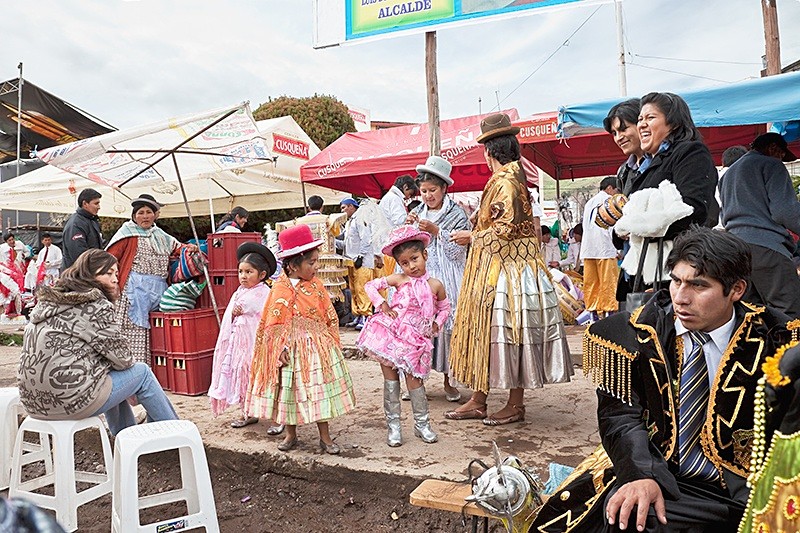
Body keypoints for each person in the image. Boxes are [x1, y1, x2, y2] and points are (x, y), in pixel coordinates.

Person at [531, 227, 800, 532]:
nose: (681, 298)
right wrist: (639, 474)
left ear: (736, 290)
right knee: (624, 518)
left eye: (698, 286)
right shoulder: (636, 334)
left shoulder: (778, 339)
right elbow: (620, 416)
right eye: (676, 281)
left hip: (746, 486)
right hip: (662, 474)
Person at [444, 113, 572, 425]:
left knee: (509, 333)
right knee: (489, 332)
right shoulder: (510, 179)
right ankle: (479, 399)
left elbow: (505, 229)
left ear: (489, 151)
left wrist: (471, 235)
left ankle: (514, 404)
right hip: (498, 268)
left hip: (508, 271)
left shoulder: (507, 182)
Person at [17, 249, 179, 436]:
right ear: (88, 275)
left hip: (33, 403)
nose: (115, 279)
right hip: (70, 403)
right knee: (141, 373)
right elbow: (124, 358)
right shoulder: (94, 306)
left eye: (116, 273)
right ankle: (174, 433)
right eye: (107, 273)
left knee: (106, 372)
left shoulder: (46, 304)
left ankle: (125, 436)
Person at [246, 224, 355, 454]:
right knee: (290, 392)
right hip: (292, 350)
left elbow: (328, 314)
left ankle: (325, 437)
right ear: (294, 265)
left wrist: (330, 341)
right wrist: (278, 348)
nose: (316, 267)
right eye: (312, 263)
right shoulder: (280, 289)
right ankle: (290, 434)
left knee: (319, 392)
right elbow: (273, 320)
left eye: (316, 261)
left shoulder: (316, 286)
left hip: (316, 348)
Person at [615, 92, 718, 300]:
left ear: (673, 123)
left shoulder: (690, 152)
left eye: (650, 118)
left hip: (674, 273)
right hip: (641, 274)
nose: (642, 124)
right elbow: (626, 221)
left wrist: (635, 225)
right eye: (640, 119)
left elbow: (694, 211)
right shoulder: (645, 166)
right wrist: (621, 228)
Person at [356, 225, 450, 446]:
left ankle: (422, 424)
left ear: (425, 255)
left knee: (415, 383)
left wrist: (437, 323)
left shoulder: (435, 285)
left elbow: (445, 307)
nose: (411, 266)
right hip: (392, 334)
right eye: (404, 263)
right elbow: (370, 286)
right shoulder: (399, 279)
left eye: (414, 259)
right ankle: (394, 427)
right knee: (391, 382)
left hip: (417, 340)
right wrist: (383, 304)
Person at [406, 155, 470, 402]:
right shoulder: (416, 212)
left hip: (448, 279)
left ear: (444, 189)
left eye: (433, 190)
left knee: (446, 329)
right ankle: (416, 380)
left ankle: (449, 381)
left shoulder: (457, 214)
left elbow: (458, 251)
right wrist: (409, 227)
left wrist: (437, 232)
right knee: (418, 329)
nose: (428, 195)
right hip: (421, 279)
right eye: (423, 191)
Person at [719, 132, 800, 318]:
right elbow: (785, 211)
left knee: (750, 315)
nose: (781, 159)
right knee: (788, 314)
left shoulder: (728, 174)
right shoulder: (771, 164)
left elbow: (724, 216)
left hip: (735, 251)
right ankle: (788, 349)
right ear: (773, 148)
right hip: (767, 248)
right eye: (781, 155)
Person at [209, 242, 284, 433]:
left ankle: (279, 418)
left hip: (258, 345)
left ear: (262, 275)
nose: (243, 276)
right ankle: (248, 412)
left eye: (249, 272)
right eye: (241, 271)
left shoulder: (265, 293)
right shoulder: (239, 292)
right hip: (240, 346)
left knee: (265, 377)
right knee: (244, 376)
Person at [106, 194, 185, 365]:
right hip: (133, 291)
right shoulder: (126, 234)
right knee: (135, 331)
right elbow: (109, 260)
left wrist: (189, 249)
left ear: (155, 215)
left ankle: (156, 372)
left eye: (149, 212)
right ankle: (135, 369)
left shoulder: (160, 235)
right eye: (140, 212)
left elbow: (178, 248)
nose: (145, 216)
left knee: (158, 330)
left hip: (158, 289)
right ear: (134, 216)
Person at [581, 177, 621, 319]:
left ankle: (593, 315)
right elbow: (611, 227)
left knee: (591, 283)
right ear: (610, 188)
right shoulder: (609, 202)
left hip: (588, 249)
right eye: (616, 190)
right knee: (608, 283)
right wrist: (618, 249)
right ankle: (610, 314)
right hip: (605, 248)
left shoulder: (589, 203)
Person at [340, 198, 380, 329]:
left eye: (344, 207)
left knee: (362, 288)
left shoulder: (360, 218)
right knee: (353, 289)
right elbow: (346, 243)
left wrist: (361, 256)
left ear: (351, 206)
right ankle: (357, 315)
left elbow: (366, 239)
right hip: (351, 260)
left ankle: (366, 316)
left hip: (361, 261)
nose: (342, 211)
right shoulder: (348, 223)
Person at [603, 98, 644, 196]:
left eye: (623, 129)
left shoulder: (666, 160)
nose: (618, 138)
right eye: (614, 133)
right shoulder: (623, 172)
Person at [61, 188, 104, 270]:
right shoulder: (76, 224)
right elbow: (78, 255)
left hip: (88, 272)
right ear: (85, 204)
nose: (99, 207)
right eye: (96, 203)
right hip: (76, 275)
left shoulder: (92, 220)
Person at [713, 145, 748, 229]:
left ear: (723, 163)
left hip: (714, 229)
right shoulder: (747, 178)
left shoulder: (714, 176)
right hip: (737, 228)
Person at [0, 233, 29, 316]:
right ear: (6, 242)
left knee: (21, 290)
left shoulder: (19, 244)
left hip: (20, 269)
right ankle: (10, 310)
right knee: (12, 291)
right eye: (10, 240)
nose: (12, 241)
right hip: (8, 272)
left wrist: (24, 255)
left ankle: (20, 310)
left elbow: (27, 252)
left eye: (13, 239)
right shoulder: (2, 248)